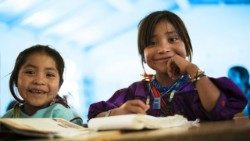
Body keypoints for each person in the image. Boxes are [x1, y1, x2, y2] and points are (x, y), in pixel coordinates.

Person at [88, 10, 247, 121]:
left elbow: (221, 109)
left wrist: (192, 69)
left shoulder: (201, 86)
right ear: (143, 56)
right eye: (152, 43)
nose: (163, 49)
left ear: (187, 47)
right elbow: (94, 116)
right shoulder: (135, 92)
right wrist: (118, 112)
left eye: (172, 39)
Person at [2, 44, 83, 125]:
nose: (39, 81)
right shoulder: (8, 118)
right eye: (30, 72)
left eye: (49, 75)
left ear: (59, 85)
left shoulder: (61, 116)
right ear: (16, 79)